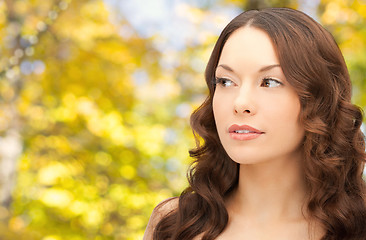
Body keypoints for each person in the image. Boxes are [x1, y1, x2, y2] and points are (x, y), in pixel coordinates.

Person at [143, 7, 366, 240]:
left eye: (269, 82)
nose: (240, 103)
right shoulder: (174, 223)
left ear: (320, 98)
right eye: (226, 81)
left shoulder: (357, 227)